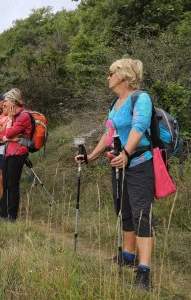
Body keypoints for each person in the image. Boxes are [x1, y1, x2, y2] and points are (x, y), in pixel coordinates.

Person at [74, 58, 154, 291]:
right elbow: (109, 133)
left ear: (123, 74)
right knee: (124, 210)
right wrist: (91, 157)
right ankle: (128, 255)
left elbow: (139, 127)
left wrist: (127, 153)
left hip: (139, 163)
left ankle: (144, 270)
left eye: (111, 73)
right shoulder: (115, 103)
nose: (108, 77)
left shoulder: (141, 98)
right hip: (119, 164)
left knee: (142, 215)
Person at [0, 88, 32, 222]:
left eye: (6, 101)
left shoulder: (24, 116)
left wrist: (10, 122)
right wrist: (10, 135)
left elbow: (7, 134)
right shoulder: (12, 116)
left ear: (14, 101)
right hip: (9, 152)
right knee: (5, 183)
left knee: (13, 185)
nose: (4, 104)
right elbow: (2, 136)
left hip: (18, 153)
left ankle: (12, 216)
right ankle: (3, 213)